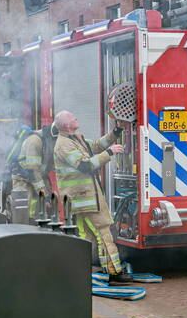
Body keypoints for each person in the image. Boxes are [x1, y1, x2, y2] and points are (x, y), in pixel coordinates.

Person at [52, 111, 130, 282]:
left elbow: (95, 146)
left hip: (81, 199)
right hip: (84, 199)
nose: (76, 118)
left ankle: (80, 270)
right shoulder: (63, 145)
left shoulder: (75, 138)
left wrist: (116, 131)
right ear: (66, 125)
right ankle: (115, 272)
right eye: (73, 117)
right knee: (103, 231)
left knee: (85, 237)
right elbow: (85, 165)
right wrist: (109, 153)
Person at [10, 126, 50, 219]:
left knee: (33, 207)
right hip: (22, 180)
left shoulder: (41, 140)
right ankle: (26, 224)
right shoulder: (34, 142)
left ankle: (33, 221)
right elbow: (33, 171)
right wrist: (44, 194)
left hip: (30, 178)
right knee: (22, 210)